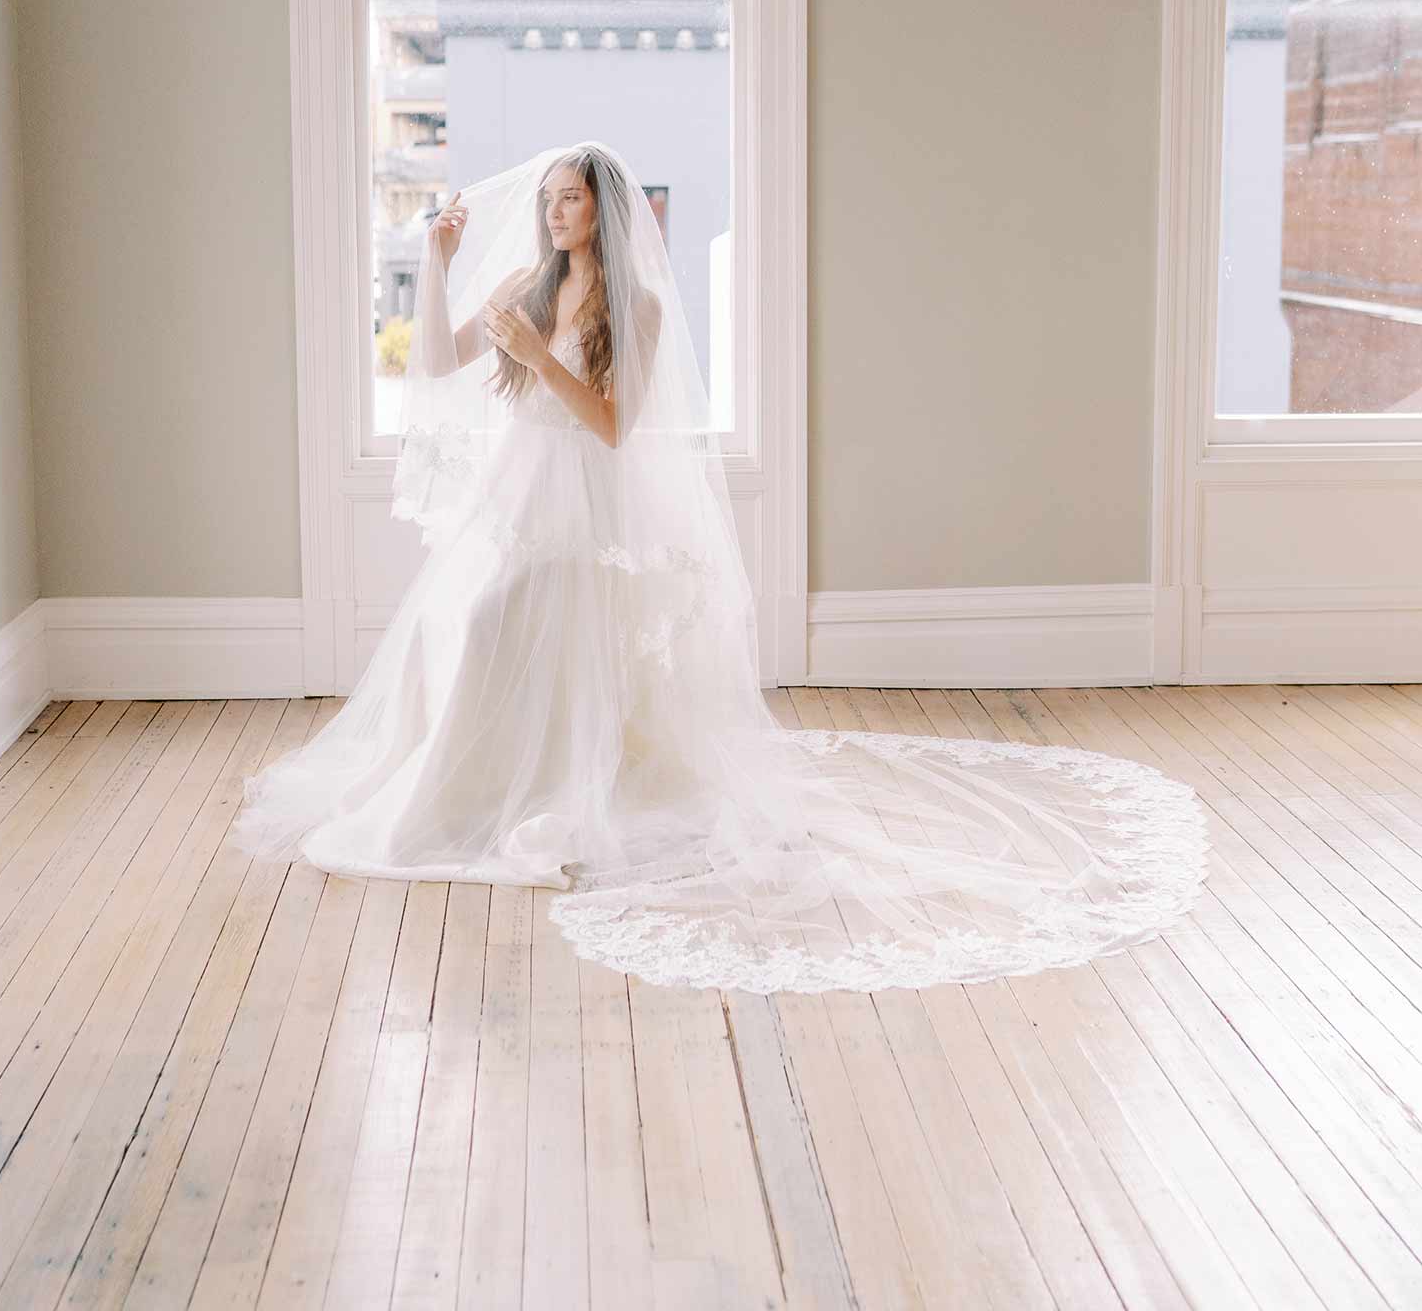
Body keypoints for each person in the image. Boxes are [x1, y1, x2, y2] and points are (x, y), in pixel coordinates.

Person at [231, 141, 1208, 994]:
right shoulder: (527, 288)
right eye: (549, 199)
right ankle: (473, 785)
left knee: (504, 624)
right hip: (518, 495)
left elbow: (614, 425)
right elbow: (440, 361)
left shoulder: (638, 305)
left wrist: (543, 353)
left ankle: (539, 782)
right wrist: (437, 262)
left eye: (570, 198)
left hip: (585, 503)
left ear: (603, 209)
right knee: (462, 626)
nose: (554, 211)